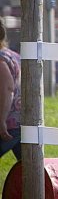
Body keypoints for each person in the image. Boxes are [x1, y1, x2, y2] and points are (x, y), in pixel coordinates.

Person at [0, 17, 22, 162]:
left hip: (8, 123)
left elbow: (7, 89)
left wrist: (1, 120)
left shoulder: (1, 60)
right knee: (27, 166)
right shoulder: (13, 55)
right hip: (22, 121)